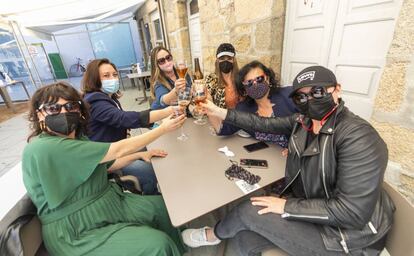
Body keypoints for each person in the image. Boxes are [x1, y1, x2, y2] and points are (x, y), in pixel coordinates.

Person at [182, 66, 395, 255]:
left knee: (249, 209)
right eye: (301, 97)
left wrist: (287, 206)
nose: (310, 100)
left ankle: (213, 235)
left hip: (350, 239)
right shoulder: (304, 122)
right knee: (243, 238)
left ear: (336, 90)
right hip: (317, 212)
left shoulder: (359, 137)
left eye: (317, 92)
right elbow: (260, 123)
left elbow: (352, 212)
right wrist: (217, 110)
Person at [22, 82, 186, 256]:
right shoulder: (43, 148)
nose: (64, 112)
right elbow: (117, 149)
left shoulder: (77, 139)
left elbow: (105, 165)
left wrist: (138, 156)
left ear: (79, 110)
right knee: (156, 244)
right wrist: (162, 129)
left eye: (70, 106)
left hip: (109, 203)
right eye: (53, 108)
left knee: (163, 208)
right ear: (39, 114)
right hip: (76, 229)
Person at [82, 58, 172, 194]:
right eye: (106, 76)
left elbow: (122, 120)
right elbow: (124, 119)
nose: (112, 78)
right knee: (150, 172)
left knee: (156, 147)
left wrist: (152, 125)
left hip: (120, 146)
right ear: (94, 79)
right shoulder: (94, 101)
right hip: (108, 158)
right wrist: (166, 113)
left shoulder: (109, 97)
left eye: (114, 74)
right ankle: (151, 198)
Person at [210, 60, 297, 148]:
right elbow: (222, 129)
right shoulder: (243, 108)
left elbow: (308, 123)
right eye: (249, 82)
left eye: (259, 79)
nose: (255, 84)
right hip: (266, 156)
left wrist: (294, 148)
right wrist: (208, 103)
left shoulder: (290, 95)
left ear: (268, 78)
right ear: (244, 88)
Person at [205, 43, 242, 109]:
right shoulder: (211, 79)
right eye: (222, 58)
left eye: (229, 58)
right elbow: (204, 102)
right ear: (218, 60)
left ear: (233, 60)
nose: (226, 61)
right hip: (221, 118)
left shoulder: (241, 78)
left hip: (240, 117)